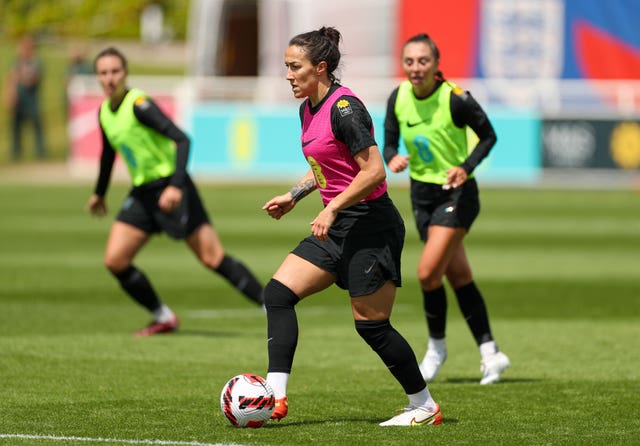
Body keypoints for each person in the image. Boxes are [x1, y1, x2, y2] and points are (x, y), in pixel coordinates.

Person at [261, 27, 442, 427]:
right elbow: (329, 168)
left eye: (295, 67)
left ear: (320, 67)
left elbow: (375, 171)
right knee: (277, 294)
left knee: (372, 327)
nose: (288, 75)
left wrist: (332, 209)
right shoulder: (307, 107)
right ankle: (275, 394)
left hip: (370, 226)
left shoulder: (346, 109)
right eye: (286, 67)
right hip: (337, 225)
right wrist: (295, 195)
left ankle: (424, 406)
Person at [86, 47, 264, 337]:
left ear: (126, 72)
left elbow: (182, 140)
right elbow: (108, 154)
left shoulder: (139, 104)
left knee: (212, 257)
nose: (110, 78)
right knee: (115, 260)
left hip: (172, 187)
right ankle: (163, 316)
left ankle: (271, 307)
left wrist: (175, 186)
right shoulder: (105, 112)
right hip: (143, 193)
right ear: (97, 76)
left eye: (115, 71)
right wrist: (99, 193)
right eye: (103, 73)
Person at [383, 33, 510, 385]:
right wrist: (392, 157)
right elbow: (389, 140)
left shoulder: (455, 98)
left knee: (426, 274)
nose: (415, 68)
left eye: (423, 61)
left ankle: (436, 349)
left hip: (456, 194)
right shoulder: (399, 97)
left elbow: (488, 135)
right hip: (421, 198)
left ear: (437, 64)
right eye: (409, 61)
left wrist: (465, 168)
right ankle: (491, 353)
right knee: (459, 277)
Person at [4, 35, 47, 160]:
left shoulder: (36, 62)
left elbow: (34, 79)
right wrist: (10, 94)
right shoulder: (16, 62)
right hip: (19, 98)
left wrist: (20, 77)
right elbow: (11, 79)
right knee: (16, 126)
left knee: (36, 124)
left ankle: (41, 151)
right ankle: (15, 152)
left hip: (32, 98)